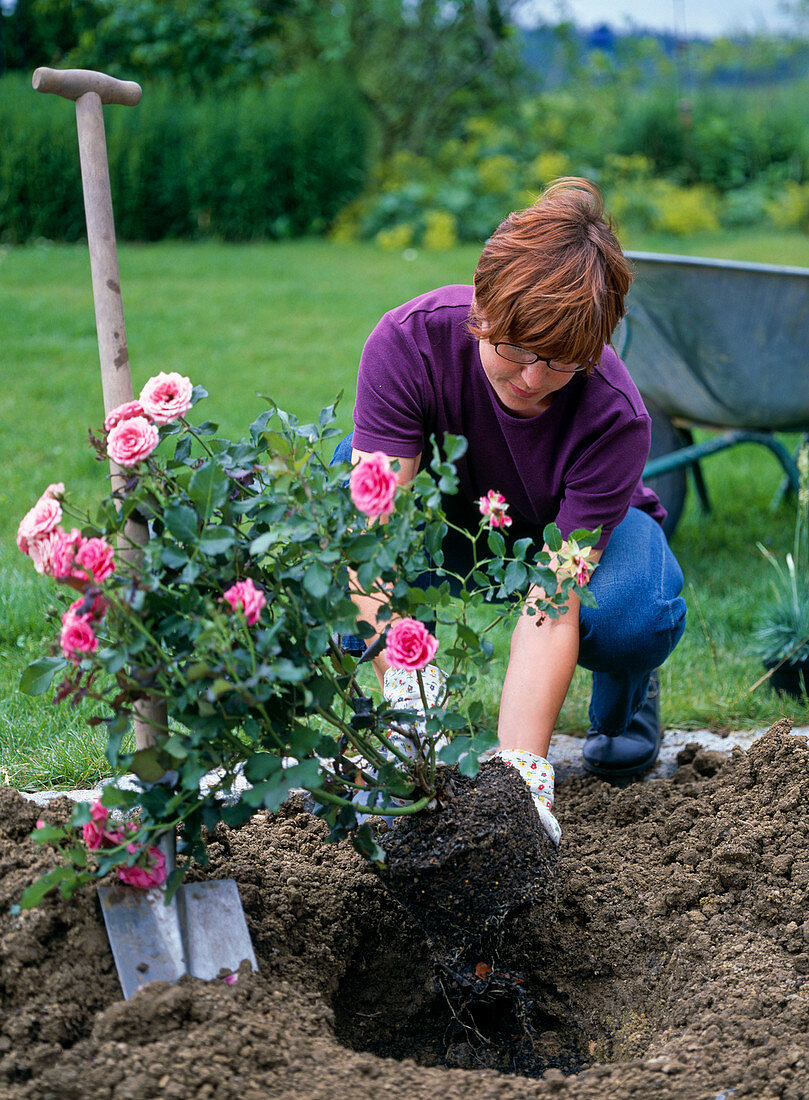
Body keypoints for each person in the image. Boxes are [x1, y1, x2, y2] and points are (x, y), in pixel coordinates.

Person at [333, 177, 686, 846]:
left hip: (576, 530)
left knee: (629, 614)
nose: (531, 379)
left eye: (558, 363)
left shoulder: (614, 413)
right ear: (481, 300)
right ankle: (387, 738)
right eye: (515, 350)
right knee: (337, 509)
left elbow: (551, 595)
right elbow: (367, 539)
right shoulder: (409, 344)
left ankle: (626, 707)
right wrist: (409, 690)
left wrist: (524, 777)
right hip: (450, 518)